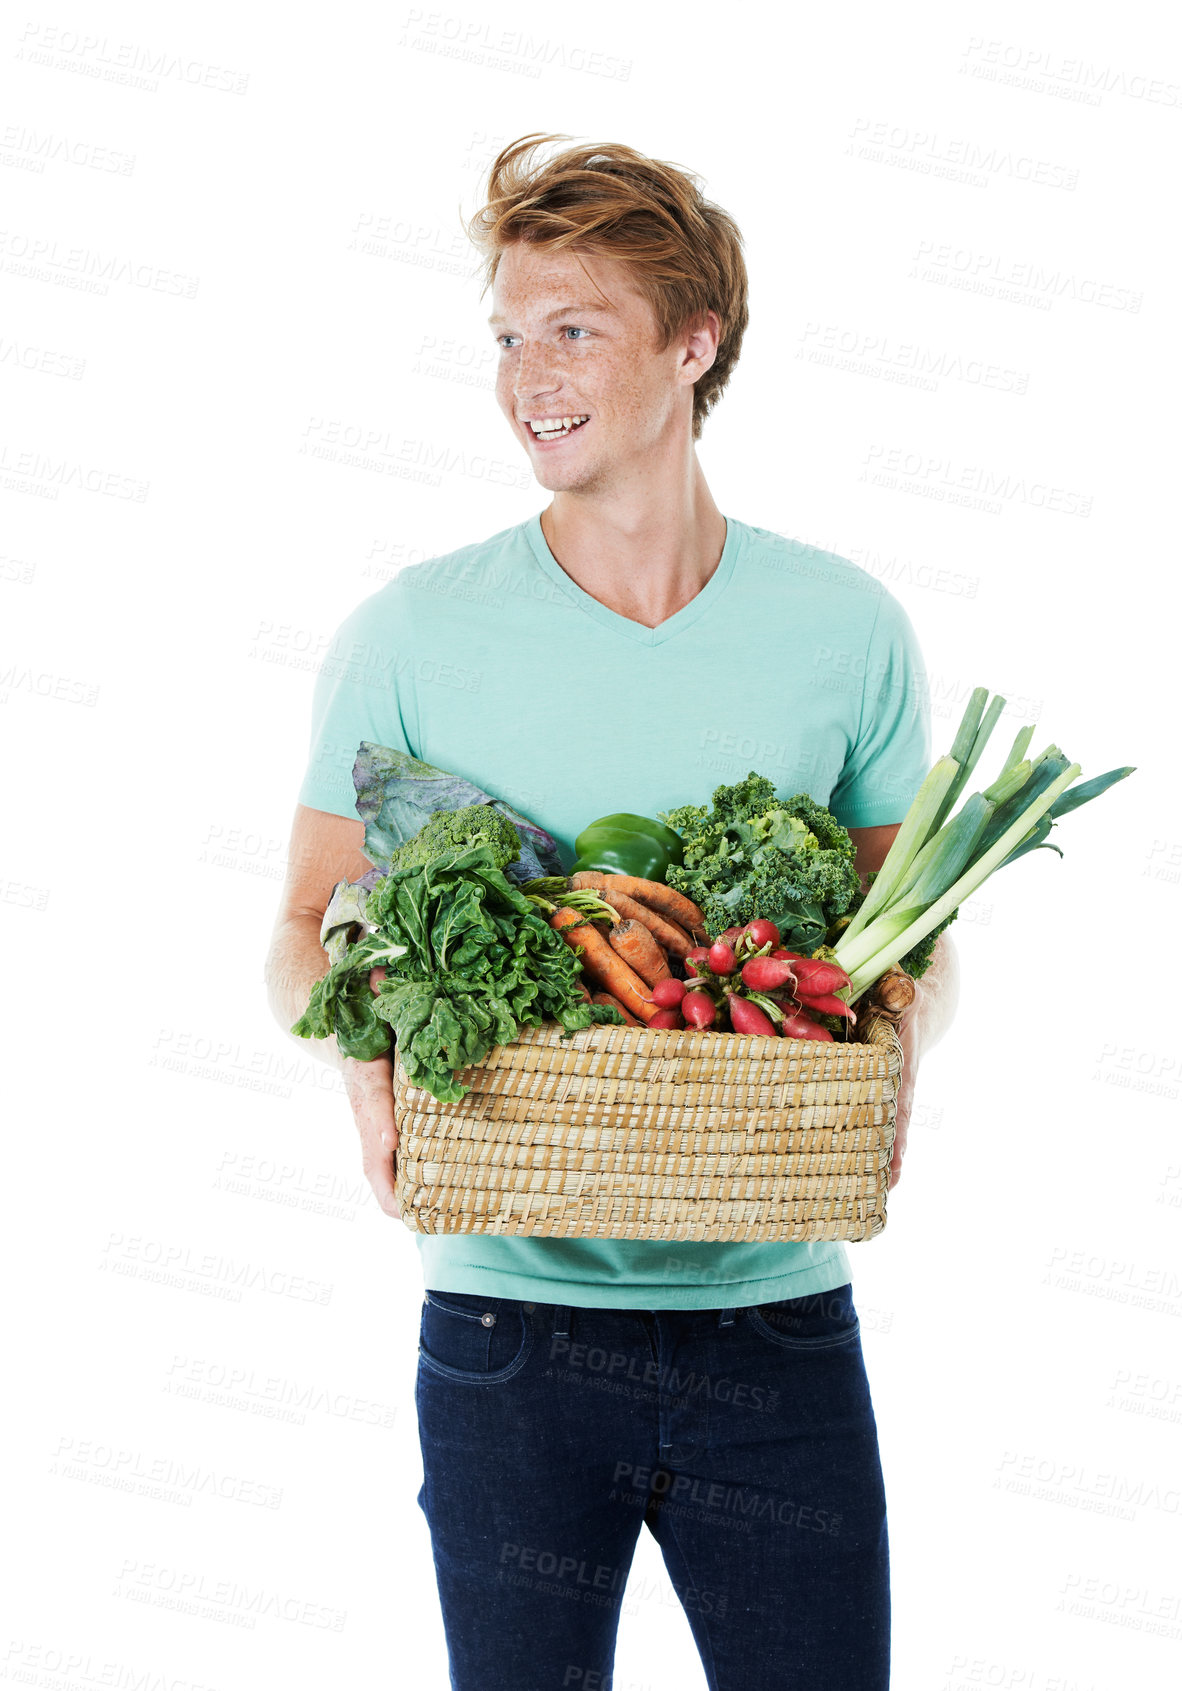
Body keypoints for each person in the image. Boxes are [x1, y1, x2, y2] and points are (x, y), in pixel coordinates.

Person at [265, 133, 959, 1691]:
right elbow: (307, 923)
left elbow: (903, 939)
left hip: (772, 1322)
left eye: (571, 327)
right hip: (507, 1327)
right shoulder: (413, 630)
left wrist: (902, 1048)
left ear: (690, 345)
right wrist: (362, 1052)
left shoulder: (842, 626)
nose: (527, 375)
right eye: (506, 337)